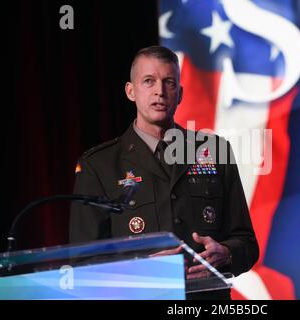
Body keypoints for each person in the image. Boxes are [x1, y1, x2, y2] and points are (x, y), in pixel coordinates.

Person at [69, 45, 259, 299]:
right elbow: (83, 262)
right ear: (130, 91)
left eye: (168, 82)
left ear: (179, 94)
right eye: (148, 81)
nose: (159, 90)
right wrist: (144, 270)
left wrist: (226, 252)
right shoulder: (99, 165)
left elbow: (246, 242)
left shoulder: (215, 151)